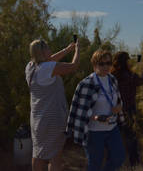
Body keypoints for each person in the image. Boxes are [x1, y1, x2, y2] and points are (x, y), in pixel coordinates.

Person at [66, 49, 126, 171]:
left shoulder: (112, 79)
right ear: (94, 65)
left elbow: (118, 99)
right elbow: (80, 113)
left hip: (112, 128)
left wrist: (120, 107)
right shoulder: (86, 84)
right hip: (94, 131)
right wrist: (96, 117)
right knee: (94, 165)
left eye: (109, 63)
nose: (106, 67)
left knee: (118, 158)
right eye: (101, 64)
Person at [25, 39, 80, 171]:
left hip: (38, 119)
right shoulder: (47, 68)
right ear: (42, 52)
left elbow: (49, 60)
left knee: (38, 153)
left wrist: (67, 50)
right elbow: (73, 66)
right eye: (48, 48)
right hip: (53, 119)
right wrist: (77, 49)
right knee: (55, 156)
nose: (50, 50)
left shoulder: (31, 66)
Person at [111, 51, 143, 168]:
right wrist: (142, 67)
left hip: (114, 110)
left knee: (115, 138)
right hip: (129, 110)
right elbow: (141, 80)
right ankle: (134, 163)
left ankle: (115, 162)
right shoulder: (130, 76)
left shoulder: (112, 76)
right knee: (131, 137)